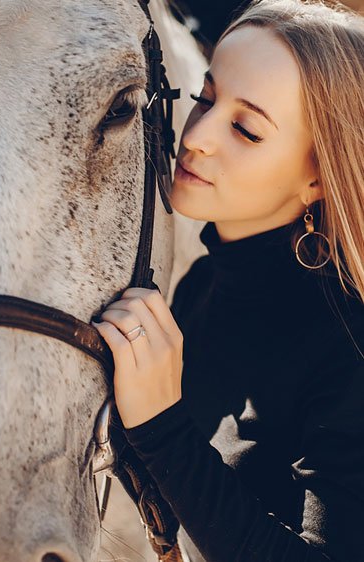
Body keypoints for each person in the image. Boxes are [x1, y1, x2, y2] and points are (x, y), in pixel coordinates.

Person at [91, 0, 364, 560]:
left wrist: (162, 427)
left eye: (245, 128)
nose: (197, 137)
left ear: (318, 175)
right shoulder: (199, 288)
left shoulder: (348, 344)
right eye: (206, 99)